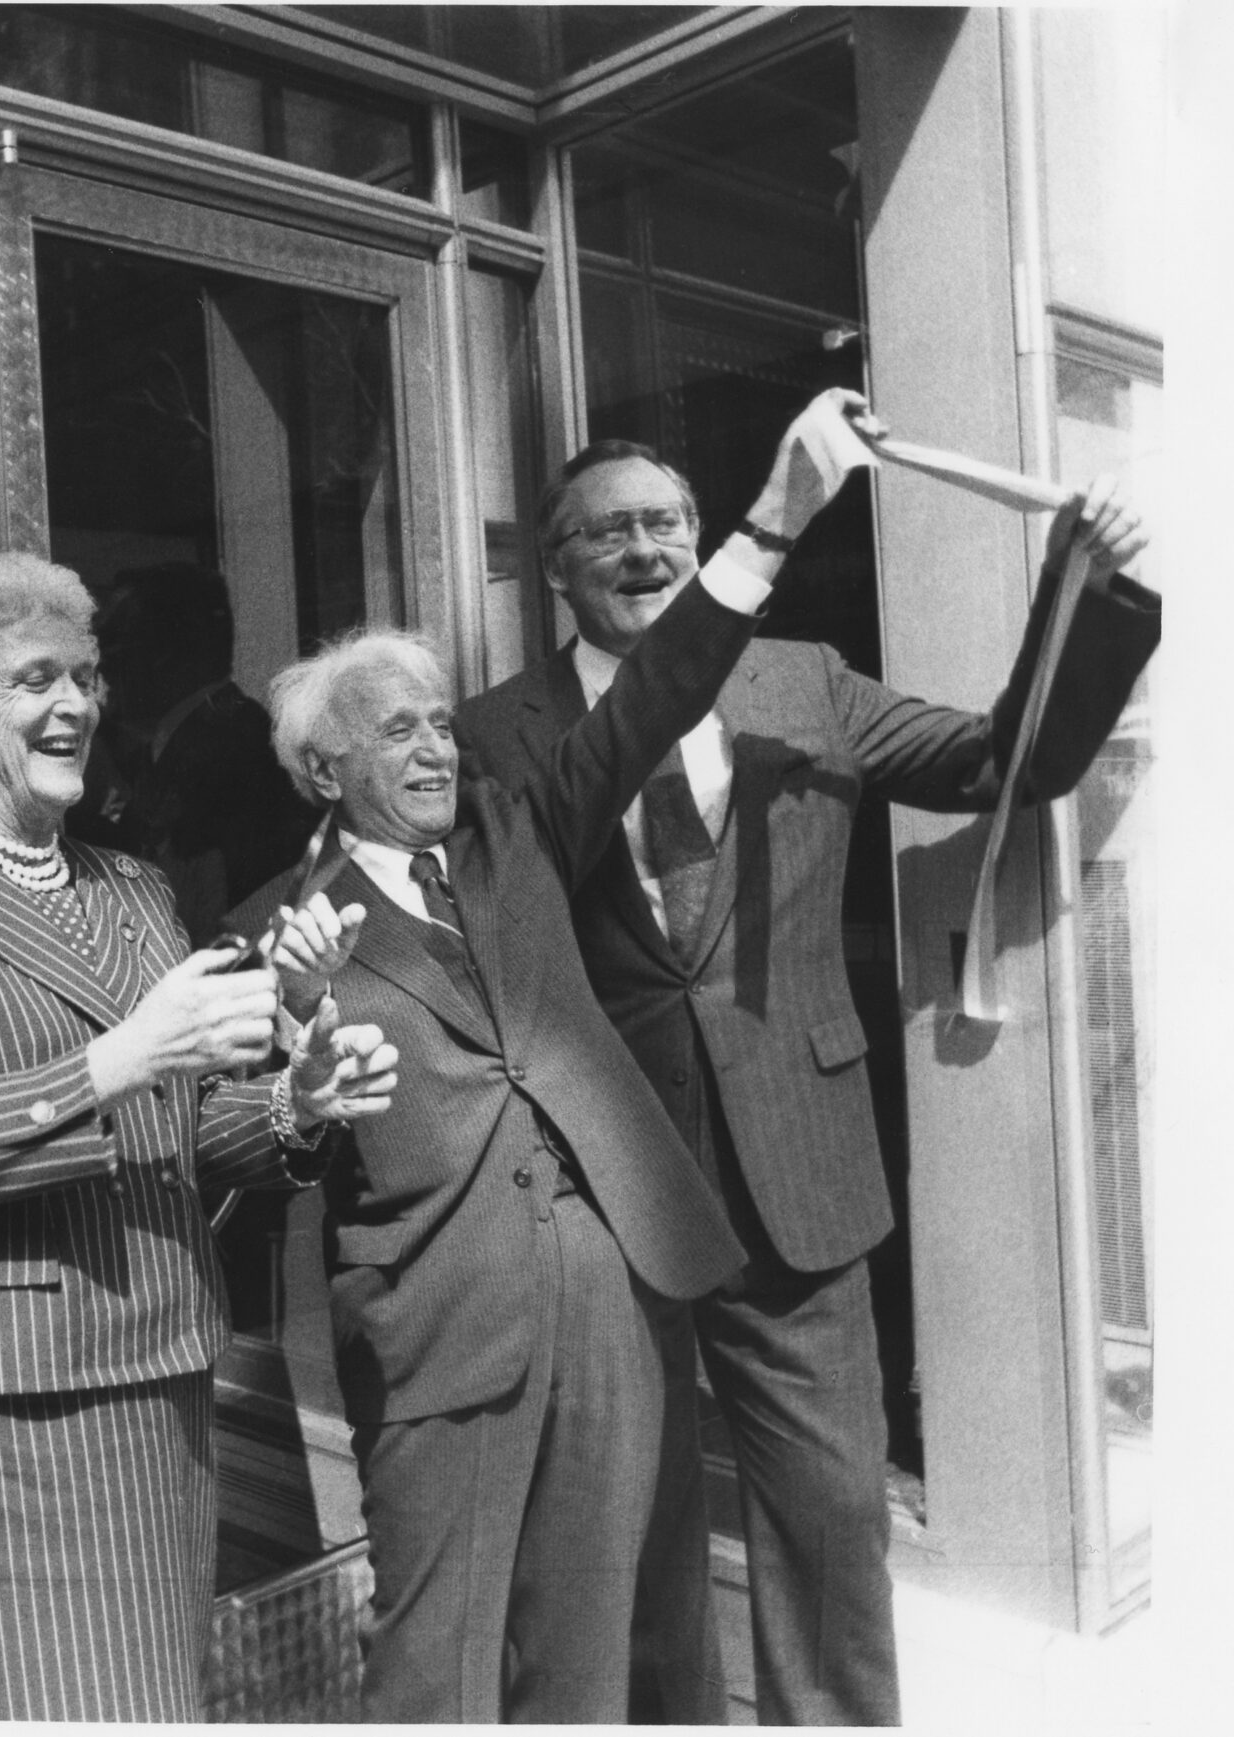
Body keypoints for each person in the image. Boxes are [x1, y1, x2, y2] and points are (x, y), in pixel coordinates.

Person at [456, 433, 1158, 1723]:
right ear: (554, 571)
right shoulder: (498, 736)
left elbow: (1011, 762)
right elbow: (560, 856)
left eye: (667, 520)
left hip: (796, 1161)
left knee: (833, 1521)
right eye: (607, 530)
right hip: (604, 1183)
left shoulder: (804, 683)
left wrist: (1087, 592)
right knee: (641, 1526)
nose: (644, 548)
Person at [232, 390, 899, 1723]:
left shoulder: (517, 833)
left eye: (440, 719)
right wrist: (295, 1038)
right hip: (441, 1333)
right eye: (396, 731)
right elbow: (254, 1142)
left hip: (612, 1289)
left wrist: (770, 527)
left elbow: (655, 687)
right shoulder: (269, 929)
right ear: (323, 773)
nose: (439, 745)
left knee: (607, 1642)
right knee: (437, 1657)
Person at [0, 552, 395, 1721]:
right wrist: (124, 1054)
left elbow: (175, 1126)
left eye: (83, 676)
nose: (75, 706)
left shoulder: (129, 887)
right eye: (34, 680)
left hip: (160, 1386)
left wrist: (298, 1104)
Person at [70, 562, 318, 945]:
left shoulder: (234, 749)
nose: (104, 670)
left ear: (164, 654)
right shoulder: (178, 740)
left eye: (115, 649)